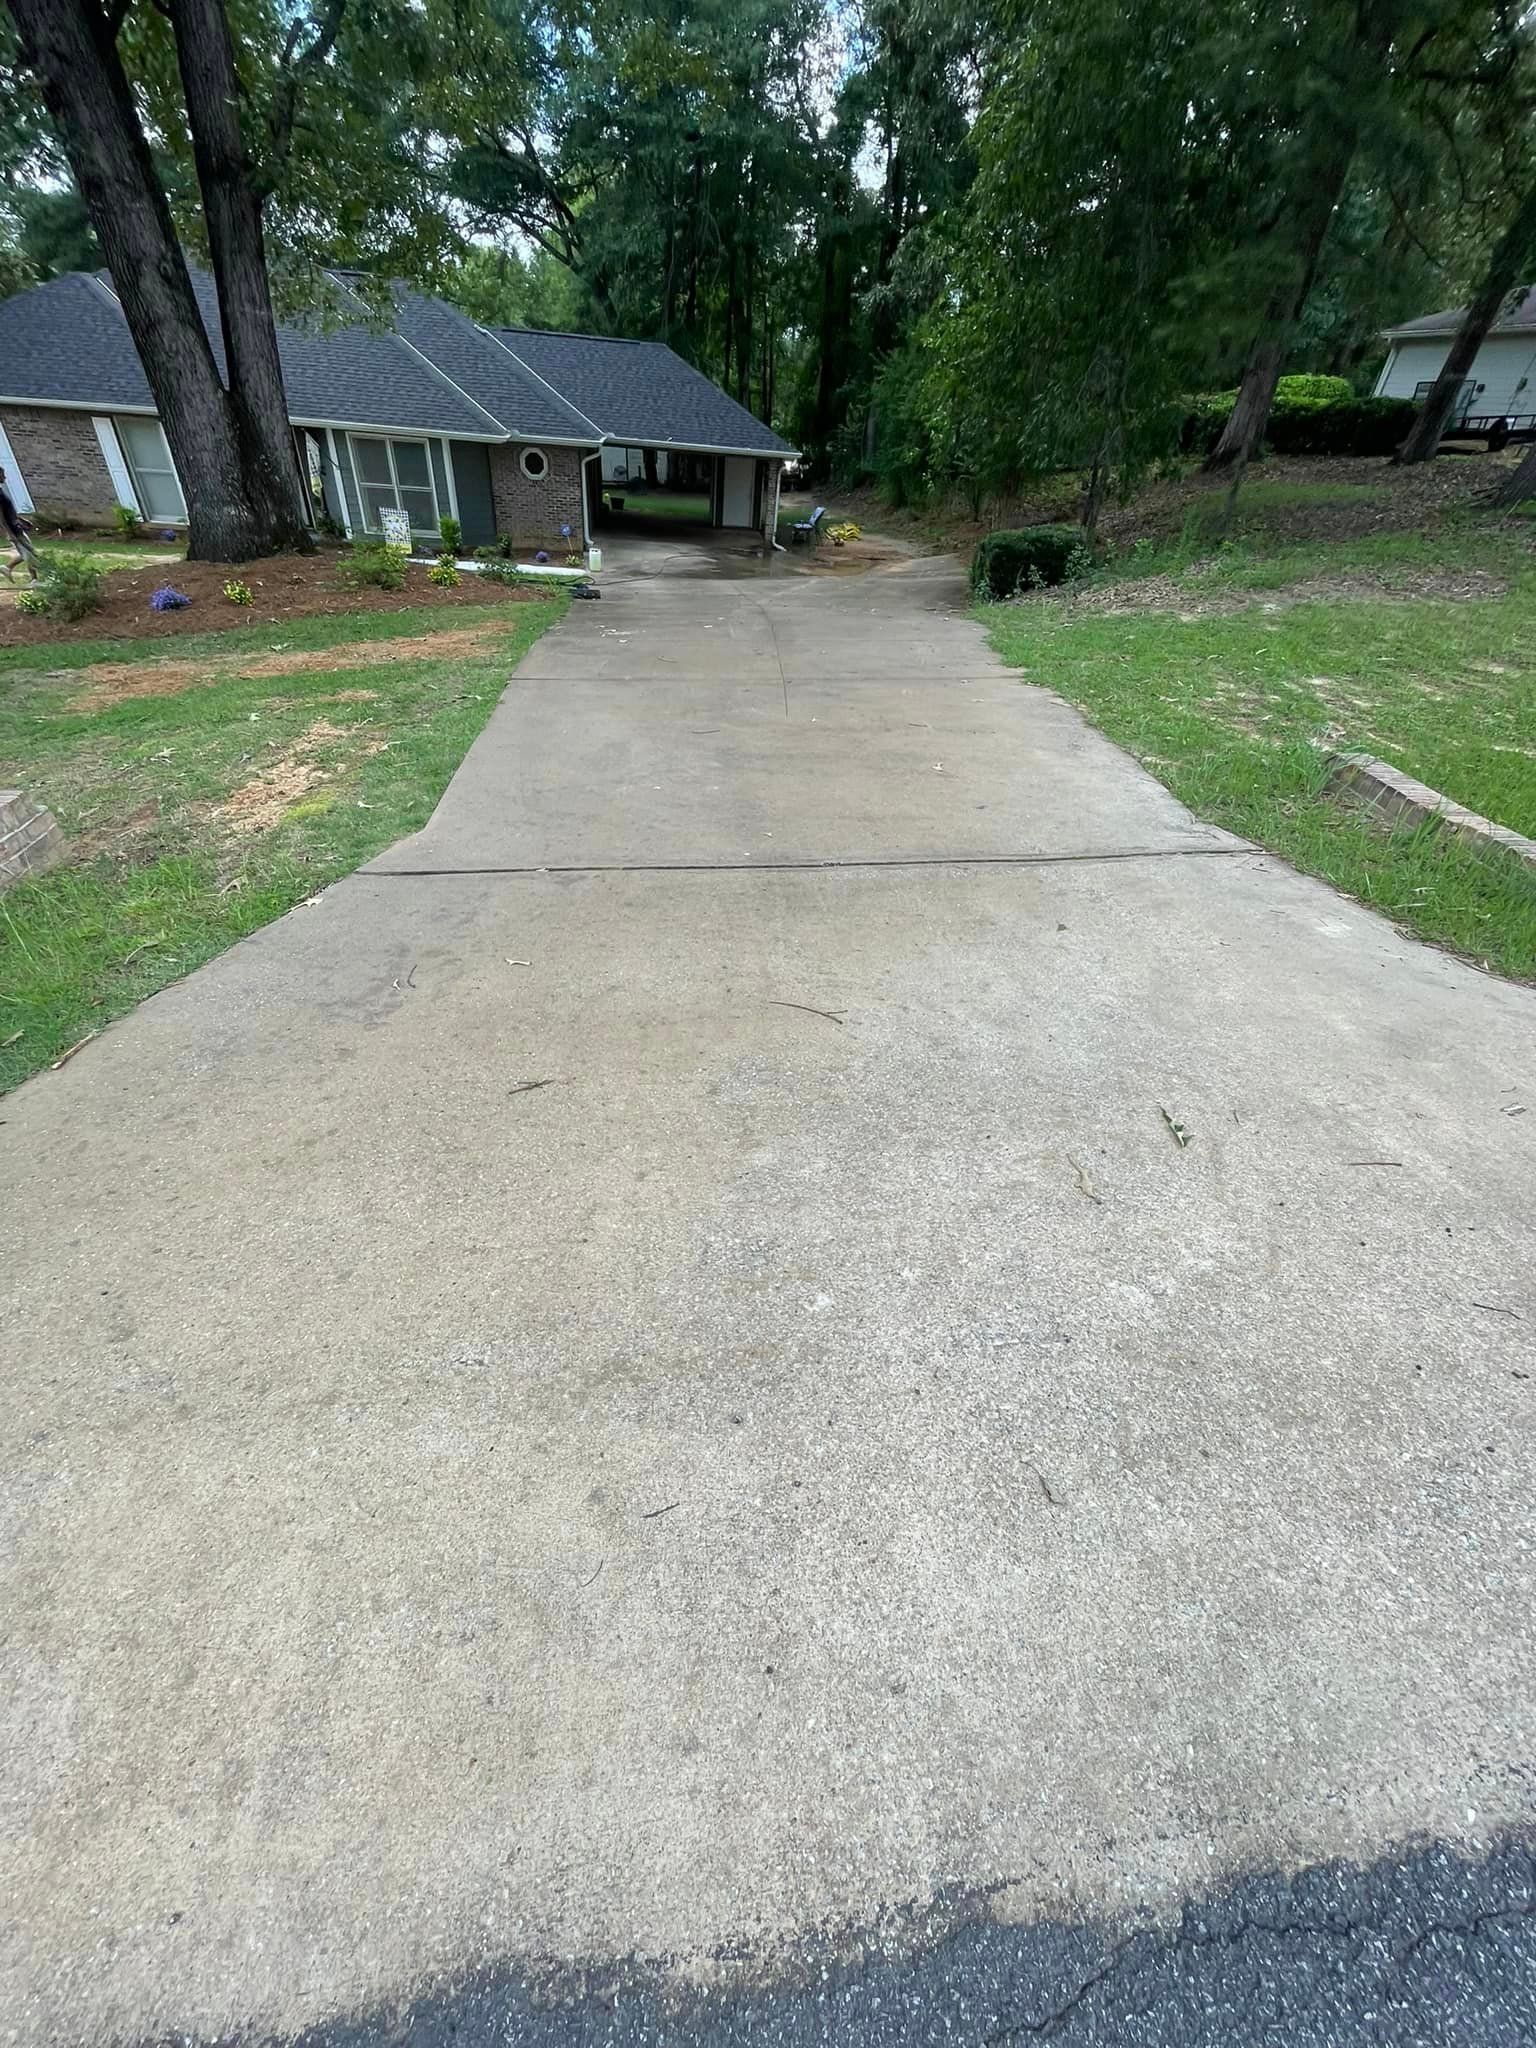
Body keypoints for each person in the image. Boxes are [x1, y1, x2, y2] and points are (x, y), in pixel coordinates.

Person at [0, 464, 40, 581]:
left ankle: (8, 568)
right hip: (13, 530)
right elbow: (1, 518)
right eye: (3, 475)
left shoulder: (1, 491)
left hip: (16, 527)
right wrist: (10, 534)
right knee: (28, 554)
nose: (5, 478)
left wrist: (22, 520)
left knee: (29, 552)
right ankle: (34, 580)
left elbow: (10, 511)